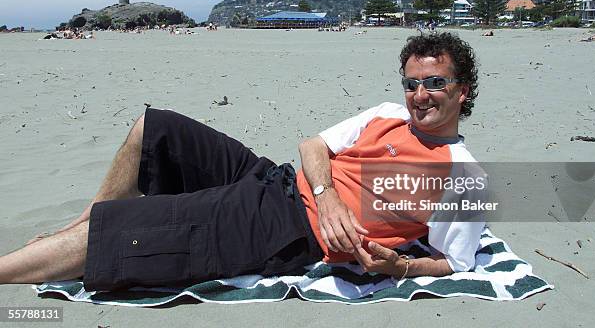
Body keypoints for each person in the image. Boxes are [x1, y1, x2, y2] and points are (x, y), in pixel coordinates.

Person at [0, 32, 483, 291]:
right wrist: (328, 193)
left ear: (462, 91)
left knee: (127, 227)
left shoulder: (462, 176)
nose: (420, 95)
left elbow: (453, 262)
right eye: (412, 83)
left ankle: (37, 257)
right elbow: (312, 146)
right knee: (156, 127)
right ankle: (75, 228)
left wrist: (401, 266)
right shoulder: (387, 115)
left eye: (436, 83)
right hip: (280, 181)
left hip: (288, 228)